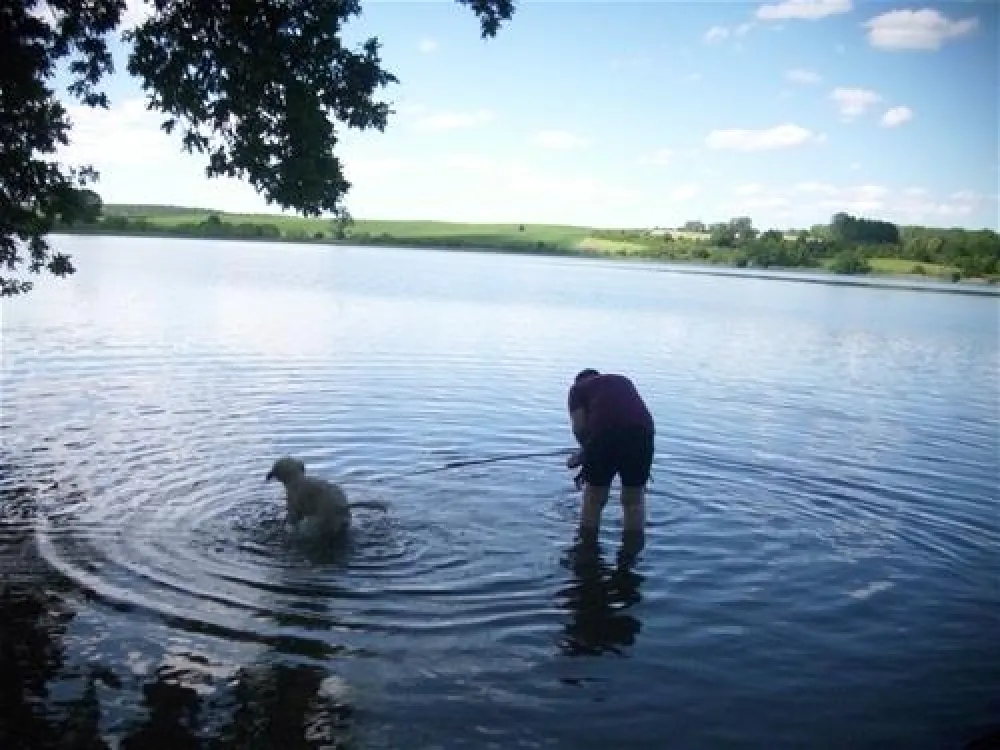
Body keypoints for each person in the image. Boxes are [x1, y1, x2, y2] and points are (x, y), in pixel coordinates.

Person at [565, 368, 654, 553]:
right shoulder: (622, 380)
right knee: (634, 501)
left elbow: (579, 428)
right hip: (642, 433)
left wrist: (584, 454)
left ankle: (587, 551)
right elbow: (629, 415)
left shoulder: (577, 389)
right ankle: (631, 556)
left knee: (594, 500)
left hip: (604, 435)